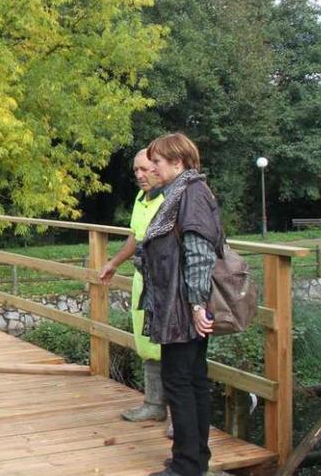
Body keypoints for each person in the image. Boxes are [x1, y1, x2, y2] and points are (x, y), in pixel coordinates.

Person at [138, 133, 222, 476]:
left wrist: (198, 305)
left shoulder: (191, 194)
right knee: (192, 380)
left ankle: (187, 465)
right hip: (179, 304)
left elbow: (199, 252)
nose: (152, 167)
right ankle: (194, 459)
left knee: (181, 382)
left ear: (178, 162)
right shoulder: (182, 192)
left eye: (157, 161)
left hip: (183, 308)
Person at [99, 149, 166, 423]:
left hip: (165, 283)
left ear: (160, 167)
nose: (139, 175)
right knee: (146, 344)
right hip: (143, 279)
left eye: (145, 169)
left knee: (171, 347)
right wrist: (113, 263)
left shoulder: (173, 198)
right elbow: (134, 237)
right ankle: (153, 404)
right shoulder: (142, 198)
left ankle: (179, 418)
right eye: (136, 170)